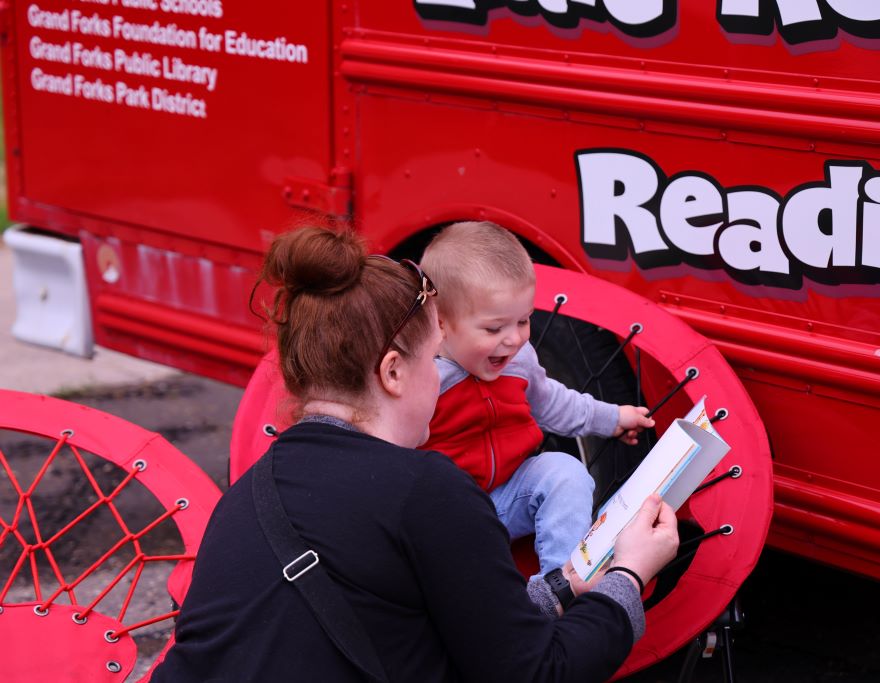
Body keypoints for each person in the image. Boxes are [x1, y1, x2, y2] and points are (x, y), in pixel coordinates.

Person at [150, 224, 679, 682]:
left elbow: (407, 620)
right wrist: (628, 575)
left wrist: (560, 587)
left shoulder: (244, 495)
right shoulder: (426, 490)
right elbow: (537, 670)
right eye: (431, 360)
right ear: (393, 372)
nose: (441, 377)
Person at [420, 221, 655, 579]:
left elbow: (553, 403)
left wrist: (612, 418)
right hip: (444, 516)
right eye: (494, 328)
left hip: (507, 498)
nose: (514, 339)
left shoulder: (519, 361)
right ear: (439, 323)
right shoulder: (424, 379)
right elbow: (385, 447)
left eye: (524, 321)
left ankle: (562, 584)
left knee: (565, 472)